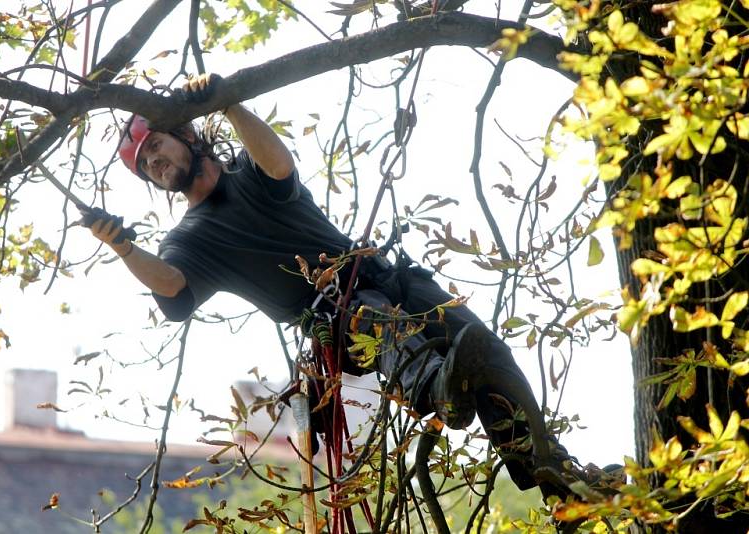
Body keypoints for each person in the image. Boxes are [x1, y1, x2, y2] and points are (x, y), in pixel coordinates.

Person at [83, 74, 604, 500]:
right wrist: (124, 248)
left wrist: (229, 102)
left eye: (156, 146)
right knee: (372, 317)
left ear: (189, 136)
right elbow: (172, 289)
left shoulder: (250, 173)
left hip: (390, 278)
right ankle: (435, 389)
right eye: (146, 165)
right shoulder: (189, 241)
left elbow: (278, 163)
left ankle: (553, 474)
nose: (154, 162)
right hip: (338, 318)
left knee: (487, 353)